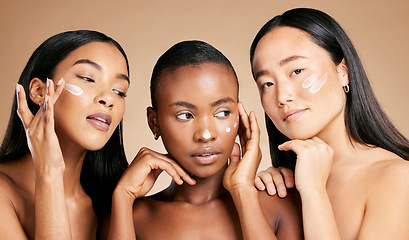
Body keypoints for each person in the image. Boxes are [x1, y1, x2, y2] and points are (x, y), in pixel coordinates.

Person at [102, 40, 303, 240]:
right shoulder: (131, 217)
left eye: (223, 112)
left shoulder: (281, 204)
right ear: (154, 123)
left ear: (239, 117)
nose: (206, 135)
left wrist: (243, 192)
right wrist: (122, 197)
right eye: (185, 115)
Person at [249, 8, 409, 239]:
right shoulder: (284, 186)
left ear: (343, 72)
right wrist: (246, 192)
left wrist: (314, 192)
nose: (282, 96)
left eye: (297, 70)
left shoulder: (397, 180)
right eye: (267, 84)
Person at [0, 30, 130, 239]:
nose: (108, 99)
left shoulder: (108, 204)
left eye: (119, 91)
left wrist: (124, 198)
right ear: (39, 92)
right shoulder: (3, 192)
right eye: (88, 78)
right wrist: (50, 174)